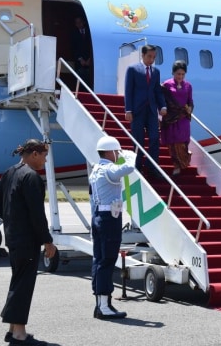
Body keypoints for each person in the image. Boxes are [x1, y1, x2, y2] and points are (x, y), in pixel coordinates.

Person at [0, 139, 57, 346]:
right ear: (34, 154)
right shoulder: (31, 177)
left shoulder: (11, 171)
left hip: (13, 237)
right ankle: (19, 335)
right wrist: (48, 241)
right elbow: (37, 215)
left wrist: (10, 219)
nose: (45, 160)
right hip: (27, 240)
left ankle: (12, 330)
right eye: (44, 156)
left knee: (18, 282)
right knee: (23, 285)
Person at [89, 135, 136, 319]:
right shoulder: (108, 169)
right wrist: (129, 153)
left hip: (99, 216)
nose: (118, 154)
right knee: (107, 260)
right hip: (109, 218)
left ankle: (101, 303)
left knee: (99, 259)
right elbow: (129, 167)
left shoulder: (96, 169)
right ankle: (103, 306)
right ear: (110, 151)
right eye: (116, 151)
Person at [124, 44, 167, 177]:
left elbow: (157, 91)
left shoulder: (156, 72)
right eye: (149, 56)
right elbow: (128, 90)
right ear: (142, 55)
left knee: (154, 137)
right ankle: (137, 166)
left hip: (151, 110)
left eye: (154, 57)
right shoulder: (133, 69)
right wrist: (128, 110)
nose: (151, 59)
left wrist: (162, 106)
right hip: (137, 110)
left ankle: (152, 165)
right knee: (138, 139)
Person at [160, 60, 194, 175]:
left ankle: (184, 159)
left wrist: (190, 108)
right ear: (173, 73)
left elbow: (190, 101)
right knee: (173, 143)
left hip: (183, 118)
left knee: (183, 141)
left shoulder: (188, 86)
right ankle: (176, 166)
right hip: (171, 118)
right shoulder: (166, 85)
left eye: (183, 74)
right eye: (178, 74)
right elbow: (162, 100)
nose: (180, 76)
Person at [71, 16, 92, 85]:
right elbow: (74, 48)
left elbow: (91, 46)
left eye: (80, 22)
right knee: (80, 80)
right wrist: (80, 59)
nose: (79, 24)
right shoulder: (74, 34)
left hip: (90, 61)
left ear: (83, 22)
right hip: (80, 63)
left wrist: (90, 58)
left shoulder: (90, 32)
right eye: (77, 23)